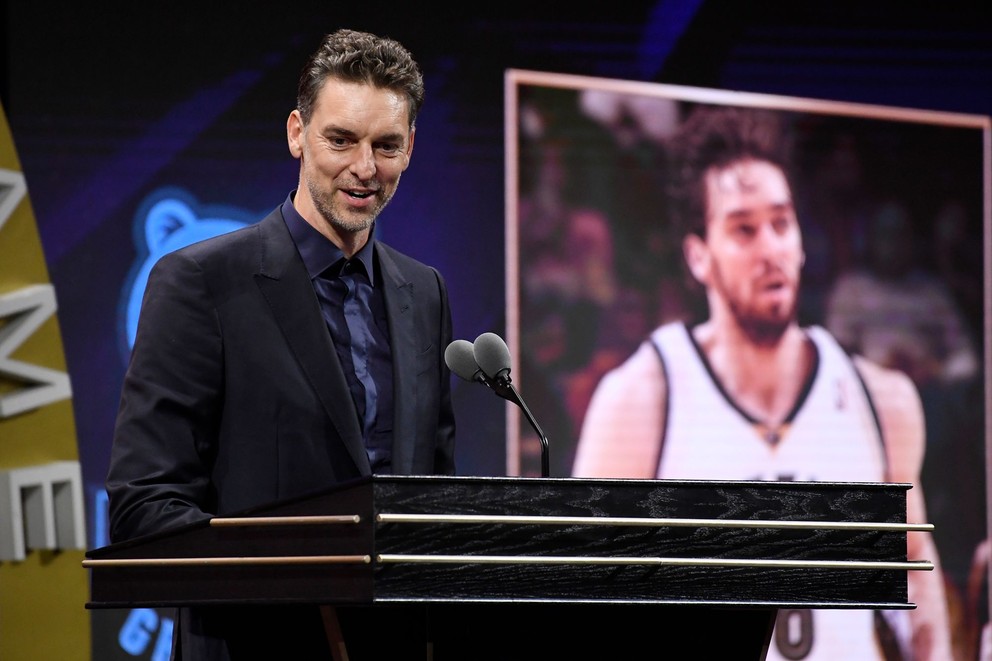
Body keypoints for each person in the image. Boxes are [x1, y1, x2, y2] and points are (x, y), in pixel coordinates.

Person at [105, 29, 456, 660]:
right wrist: (296, 568)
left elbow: (434, 488)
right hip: (251, 643)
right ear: (297, 133)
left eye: (387, 146)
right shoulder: (200, 282)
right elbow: (144, 505)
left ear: (410, 149)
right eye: (341, 139)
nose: (364, 168)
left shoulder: (422, 292)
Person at [572, 105, 954, 661]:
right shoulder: (640, 399)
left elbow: (916, 585)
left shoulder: (881, 399)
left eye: (781, 222)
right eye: (744, 229)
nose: (770, 247)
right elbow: (585, 605)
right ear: (699, 256)